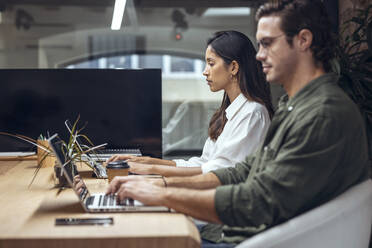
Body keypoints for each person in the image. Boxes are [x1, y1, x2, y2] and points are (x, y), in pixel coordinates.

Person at [106, 0, 370, 247]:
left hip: (247, 239)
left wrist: (162, 194)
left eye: (267, 44)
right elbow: (240, 172)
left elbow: (258, 200)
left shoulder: (322, 113)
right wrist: (158, 183)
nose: (258, 56)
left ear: (303, 40)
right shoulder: (296, 106)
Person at [107, 31, 274, 177]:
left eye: (211, 63)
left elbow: (219, 172)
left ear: (234, 67)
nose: (205, 71)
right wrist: (149, 162)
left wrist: (153, 169)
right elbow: (203, 163)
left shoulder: (253, 113)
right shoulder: (230, 112)